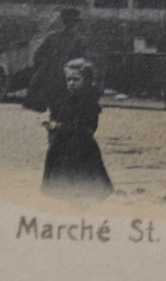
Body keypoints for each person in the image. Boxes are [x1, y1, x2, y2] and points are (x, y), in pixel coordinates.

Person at [40, 58, 114, 201]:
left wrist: (59, 127)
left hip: (81, 151)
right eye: (68, 79)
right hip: (61, 149)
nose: (71, 83)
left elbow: (88, 128)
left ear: (86, 80)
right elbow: (58, 115)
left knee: (81, 187)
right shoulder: (66, 99)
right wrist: (52, 125)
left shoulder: (89, 102)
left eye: (76, 79)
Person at [25, 6, 88, 113]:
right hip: (69, 81)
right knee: (67, 111)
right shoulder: (79, 40)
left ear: (63, 22)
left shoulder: (52, 37)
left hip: (52, 80)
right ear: (76, 24)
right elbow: (84, 60)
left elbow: (37, 56)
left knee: (54, 109)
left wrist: (45, 67)